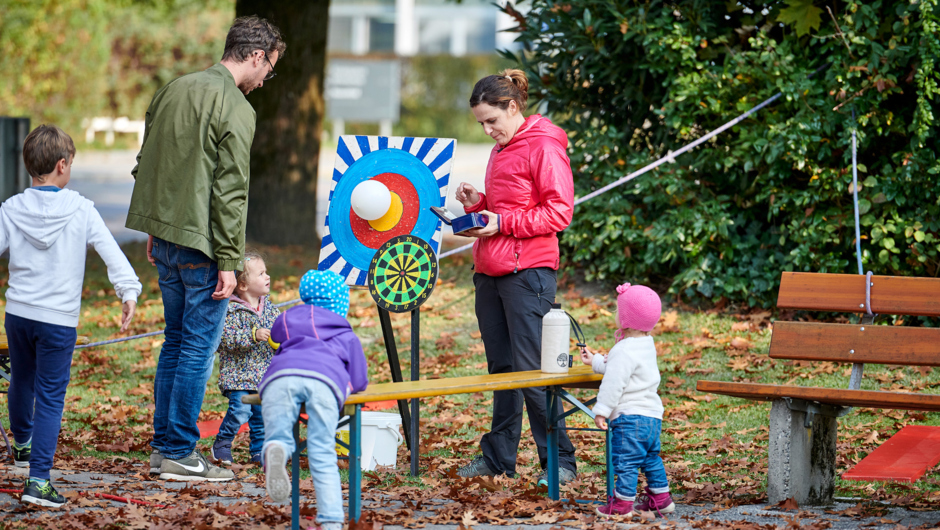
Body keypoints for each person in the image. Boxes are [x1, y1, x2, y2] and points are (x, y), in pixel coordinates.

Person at [126, 16, 285, 481]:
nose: (264, 79)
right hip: (205, 245)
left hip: (167, 237)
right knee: (197, 347)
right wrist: (231, 261)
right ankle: (178, 451)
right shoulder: (236, 106)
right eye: (268, 69)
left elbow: (147, 162)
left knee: (175, 342)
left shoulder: (174, 88)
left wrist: (154, 227)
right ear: (255, 55)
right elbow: (231, 192)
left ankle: (164, 447)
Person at [1, 125, 141, 508]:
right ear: (62, 165)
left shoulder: (11, 208)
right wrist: (128, 291)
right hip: (58, 320)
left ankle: (23, 445)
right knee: (49, 396)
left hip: (19, 314)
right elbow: (111, 252)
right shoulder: (81, 209)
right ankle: (39, 482)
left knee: (21, 379)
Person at [454, 68, 577, 486]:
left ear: (513, 107)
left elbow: (559, 212)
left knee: (532, 371)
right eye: (481, 124)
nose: (488, 130)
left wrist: (500, 221)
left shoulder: (543, 146)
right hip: (489, 270)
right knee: (503, 370)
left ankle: (560, 462)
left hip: (528, 274)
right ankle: (498, 458)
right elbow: (510, 203)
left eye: (492, 120)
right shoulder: (504, 147)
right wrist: (480, 203)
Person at [259, 270, 367, 530]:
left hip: (280, 377)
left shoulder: (286, 320)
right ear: (342, 304)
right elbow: (360, 379)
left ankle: (277, 449)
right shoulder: (344, 333)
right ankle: (331, 521)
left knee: (279, 434)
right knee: (321, 451)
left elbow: (275, 335)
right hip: (324, 380)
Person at [582, 283, 674, 518]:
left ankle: (622, 505)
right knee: (651, 459)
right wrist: (594, 361)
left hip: (629, 419)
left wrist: (601, 410)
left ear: (625, 318)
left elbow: (614, 383)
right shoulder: (646, 344)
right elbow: (616, 367)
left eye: (617, 311)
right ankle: (662, 499)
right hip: (652, 418)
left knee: (626, 462)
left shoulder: (623, 349)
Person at [210, 250, 279, 465]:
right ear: (242, 285)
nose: (267, 277)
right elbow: (225, 340)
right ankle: (221, 444)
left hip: (264, 376)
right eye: (261, 274)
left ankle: (258, 452)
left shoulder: (271, 310)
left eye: (266, 272)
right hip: (238, 376)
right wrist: (253, 335)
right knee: (240, 411)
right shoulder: (231, 311)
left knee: (261, 416)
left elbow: (281, 334)